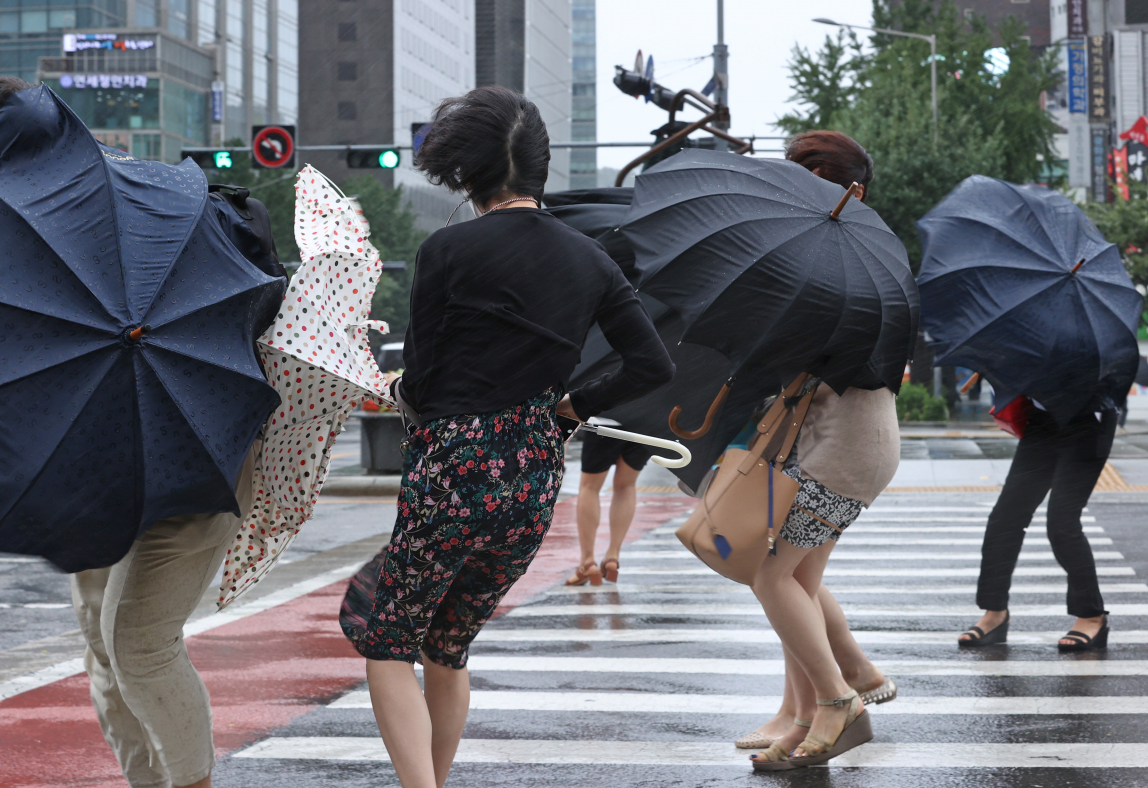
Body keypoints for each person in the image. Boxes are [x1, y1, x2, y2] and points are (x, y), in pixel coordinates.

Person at [345, 86, 674, 788]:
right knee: (450, 643)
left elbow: (426, 384)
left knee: (388, 639)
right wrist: (570, 408)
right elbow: (652, 363)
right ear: (539, 169)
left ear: (466, 175)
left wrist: (394, 391)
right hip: (532, 474)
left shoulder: (448, 249)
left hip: (454, 472)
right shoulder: (592, 262)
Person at [0, 76, 277, 788]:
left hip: (193, 440)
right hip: (94, 463)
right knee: (102, 649)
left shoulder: (148, 204)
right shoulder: (17, 225)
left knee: (136, 645)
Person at [746, 131, 902, 770]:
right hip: (852, 439)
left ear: (848, 191)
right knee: (800, 578)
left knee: (771, 574)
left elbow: (820, 357)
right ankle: (811, 710)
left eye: (813, 178)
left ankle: (838, 699)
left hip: (844, 444)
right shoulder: (860, 253)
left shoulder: (844, 259)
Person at [958, 400, 1116, 650]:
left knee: (1062, 523)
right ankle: (995, 611)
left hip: (1087, 423)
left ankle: (1092, 615)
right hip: (1042, 422)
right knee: (1004, 519)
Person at [564, 431, 651, 585]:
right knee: (626, 486)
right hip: (644, 422)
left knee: (589, 487)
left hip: (606, 421)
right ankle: (612, 556)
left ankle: (588, 562)